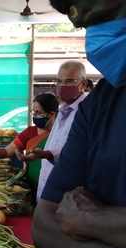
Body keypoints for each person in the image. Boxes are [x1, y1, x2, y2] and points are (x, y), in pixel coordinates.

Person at [33, 2, 126, 248]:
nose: (96, 36)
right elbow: (45, 225)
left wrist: (88, 220)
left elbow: (65, 220)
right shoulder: (102, 103)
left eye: (107, 19)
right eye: (88, 27)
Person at [32, 61, 88, 200]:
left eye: (69, 81)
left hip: (69, 193)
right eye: (59, 81)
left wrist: (47, 154)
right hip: (49, 188)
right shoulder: (62, 110)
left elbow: (79, 154)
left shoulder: (87, 112)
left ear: (84, 84)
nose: (63, 86)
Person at [0, 93, 58, 189]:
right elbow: (6, 151)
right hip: (32, 186)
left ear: (51, 114)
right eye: (33, 112)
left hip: (54, 184)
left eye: (38, 113)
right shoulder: (29, 132)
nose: (35, 116)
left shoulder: (62, 133)